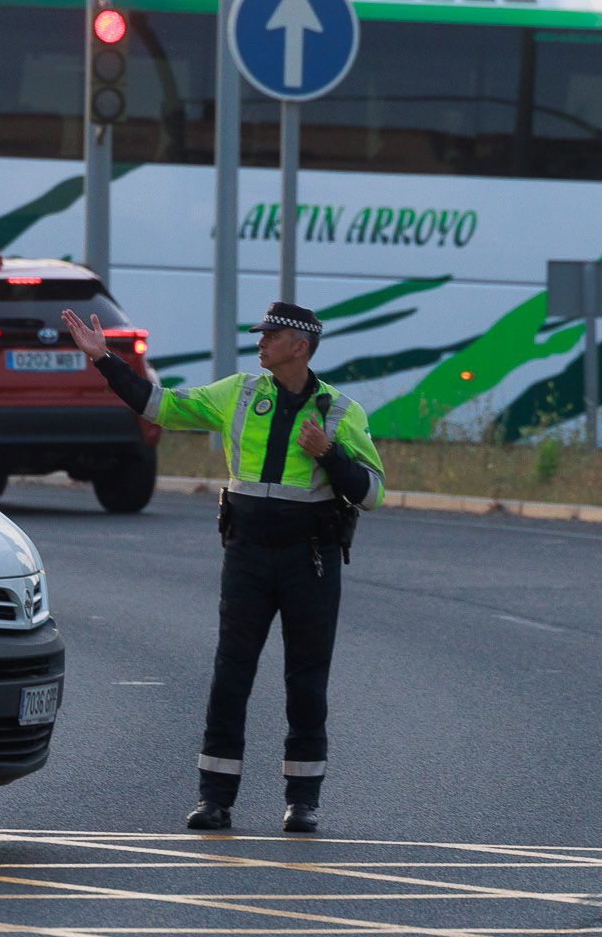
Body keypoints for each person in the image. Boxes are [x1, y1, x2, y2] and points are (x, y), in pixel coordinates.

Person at [61, 299, 385, 834]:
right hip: (248, 554)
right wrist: (104, 360)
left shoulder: (340, 412)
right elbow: (159, 406)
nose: (260, 343)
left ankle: (302, 801)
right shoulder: (240, 392)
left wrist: (329, 454)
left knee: (306, 680)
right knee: (231, 675)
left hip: (310, 559)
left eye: (270, 336)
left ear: (299, 347)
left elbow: (371, 494)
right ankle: (214, 799)